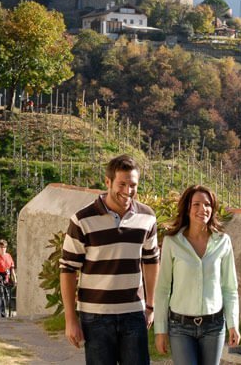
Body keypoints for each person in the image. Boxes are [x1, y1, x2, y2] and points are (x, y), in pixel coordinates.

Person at [61, 154, 159, 364]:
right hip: (96, 316)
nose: (128, 190)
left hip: (134, 313)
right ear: (107, 182)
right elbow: (68, 270)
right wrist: (70, 319)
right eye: (121, 184)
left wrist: (151, 306)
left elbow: (151, 261)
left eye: (132, 184)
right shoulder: (82, 220)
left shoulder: (148, 217)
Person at [154, 185, 240, 365]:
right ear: (187, 208)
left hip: (214, 326)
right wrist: (160, 331)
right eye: (196, 204)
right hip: (180, 327)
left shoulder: (223, 242)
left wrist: (233, 324)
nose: (203, 209)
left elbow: (230, 288)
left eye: (207, 204)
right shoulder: (172, 242)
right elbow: (162, 290)